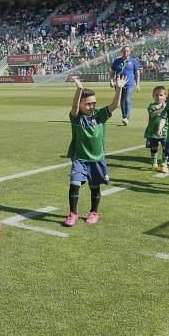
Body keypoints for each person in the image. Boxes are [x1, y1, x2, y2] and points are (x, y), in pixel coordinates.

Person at [64, 76, 126, 227]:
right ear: (80, 104)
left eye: (94, 103)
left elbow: (115, 105)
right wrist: (79, 88)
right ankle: (73, 213)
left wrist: (119, 88)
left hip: (97, 160)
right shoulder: (76, 118)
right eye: (88, 104)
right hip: (80, 159)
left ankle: (93, 212)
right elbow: (74, 108)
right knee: (74, 185)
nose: (92, 106)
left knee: (94, 187)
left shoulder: (99, 116)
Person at [110, 45, 141, 125]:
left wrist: (137, 84)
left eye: (127, 51)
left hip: (129, 84)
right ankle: (124, 116)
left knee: (127, 99)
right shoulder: (117, 61)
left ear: (130, 52)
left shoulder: (133, 61)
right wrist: (111, 80)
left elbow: (137, 73)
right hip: (119, 84)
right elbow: (112, 71)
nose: (125, 52)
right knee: (121, 100)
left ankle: (126, 117)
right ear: (121, 52)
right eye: (124, 51)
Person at [144, 85, 169, 172]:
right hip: (153, 132)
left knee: (166, 147)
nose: (159, 97)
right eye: (156, 95)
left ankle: (163, 163)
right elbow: (152, 114)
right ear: (153, 96)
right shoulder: (152, 106)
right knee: (154, 147)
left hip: (165, 131)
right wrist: (162, 109)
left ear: (165, 96)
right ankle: (154, 163)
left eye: (161, 95)